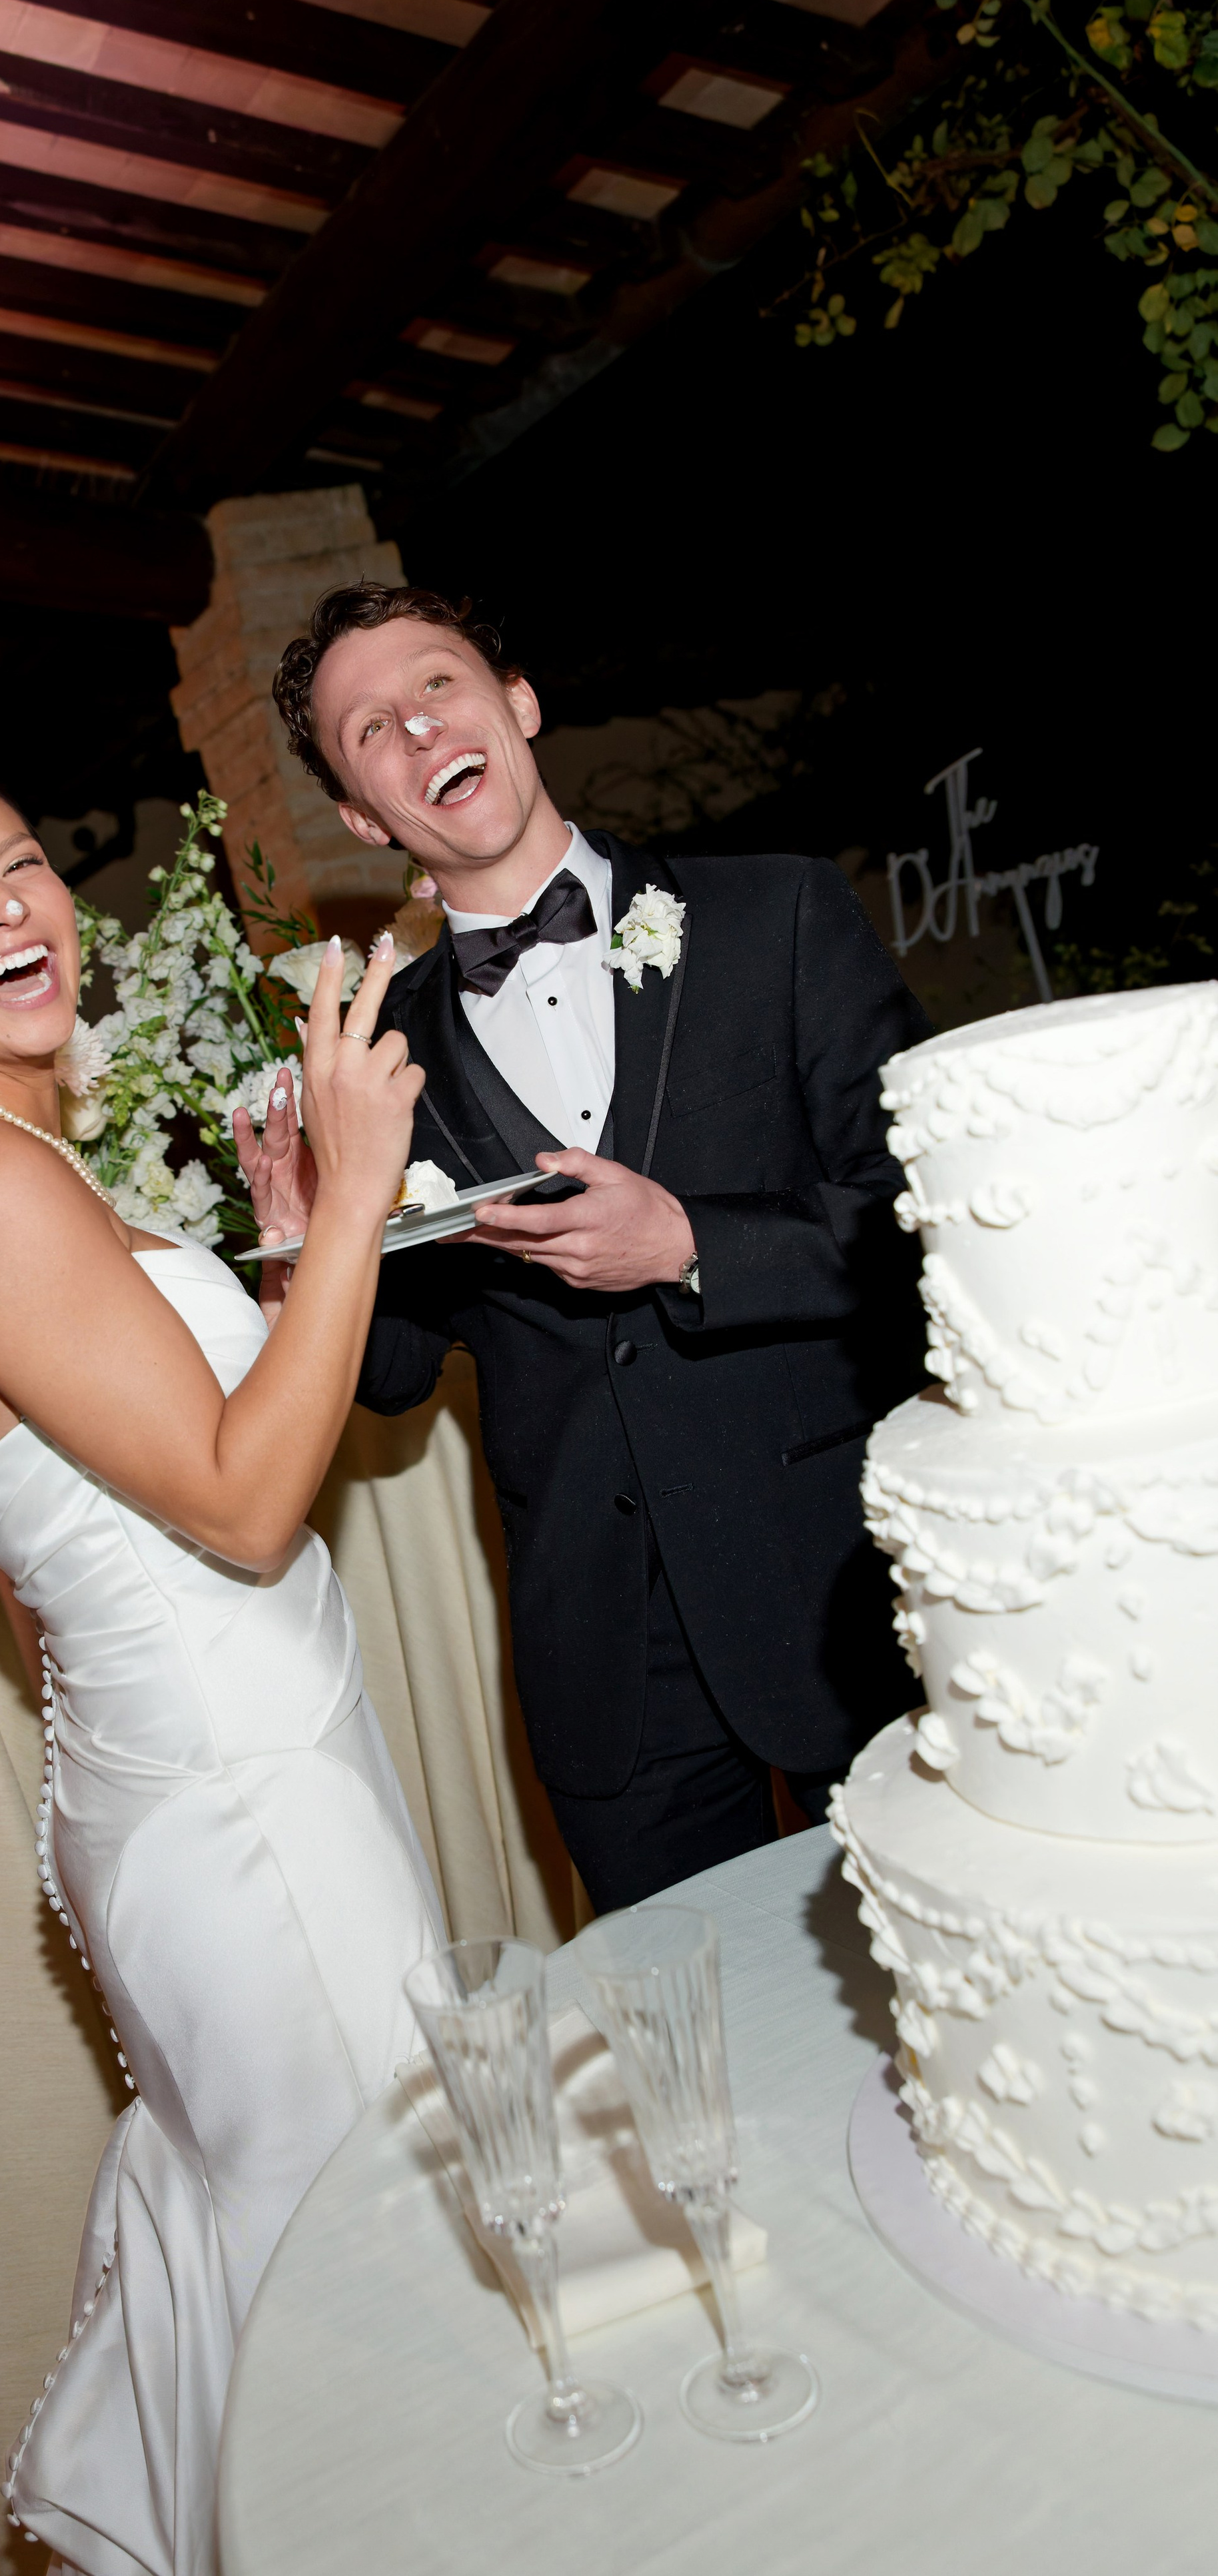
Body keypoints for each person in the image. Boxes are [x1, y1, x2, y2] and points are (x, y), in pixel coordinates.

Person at [0, 760, 441, 2576]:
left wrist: (283, 1243)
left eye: (23, 866)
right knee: (361, 2245)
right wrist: (357, 1206)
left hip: (214, 1768)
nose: (9, 909)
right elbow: (248, 1509)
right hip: (244, 1806)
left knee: (306, 2217)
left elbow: (68, 1530)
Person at [239, 587, 929, 1915]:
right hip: (605, 1661)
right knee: (703, 2075)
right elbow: (383, 1373)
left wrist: (687, 1242)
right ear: (362, 813)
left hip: (844, 1594)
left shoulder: (774, 916)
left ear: (517, 701)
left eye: (436, 683)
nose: (416, 724)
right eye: (370, 728)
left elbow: (919, 1220)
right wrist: (300, 1236)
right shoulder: (376, 1058)